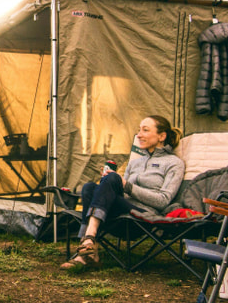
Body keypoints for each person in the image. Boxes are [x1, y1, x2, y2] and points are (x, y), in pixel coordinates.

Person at [60, 115, 184, 270]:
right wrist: (107, 185)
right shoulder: (135, 162)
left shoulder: (174, 163)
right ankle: (89, 246)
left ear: (162, 136)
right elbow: (121, 192)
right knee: (90, 187)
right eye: (139, 130)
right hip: (120, 215)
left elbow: (163, 200)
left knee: (111, 179)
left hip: (143, 217)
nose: (139, 135)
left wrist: (126, 185)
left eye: (145, 130)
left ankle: (87, 244)